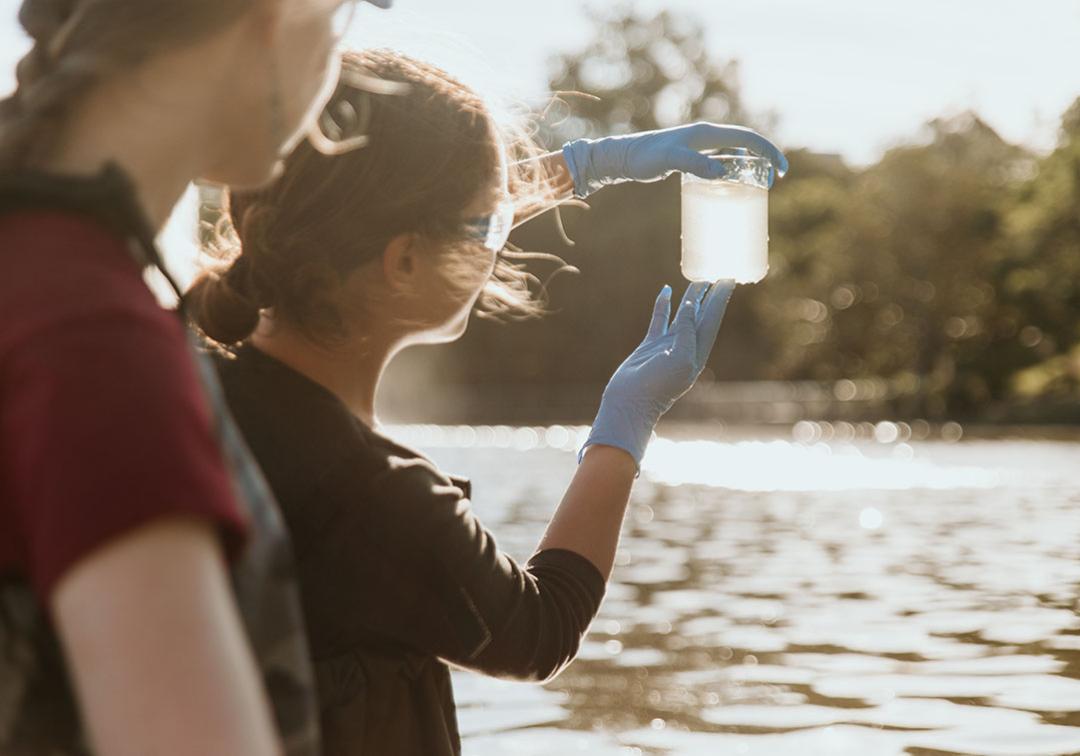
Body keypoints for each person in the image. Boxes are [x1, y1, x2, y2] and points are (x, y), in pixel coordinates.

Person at [187, 49, 786, 756]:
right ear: (404, 261)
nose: (498, 246)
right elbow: (539, 630)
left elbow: (403, 217)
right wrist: (625, 425)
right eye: (489, 228)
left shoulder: (177, 376)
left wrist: (592, 165)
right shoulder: (376, 498)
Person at [0, 1, 391, 754]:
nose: (336, 59)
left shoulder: (38, 277)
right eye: (340, 18)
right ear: (280, 13)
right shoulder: (94, 343)